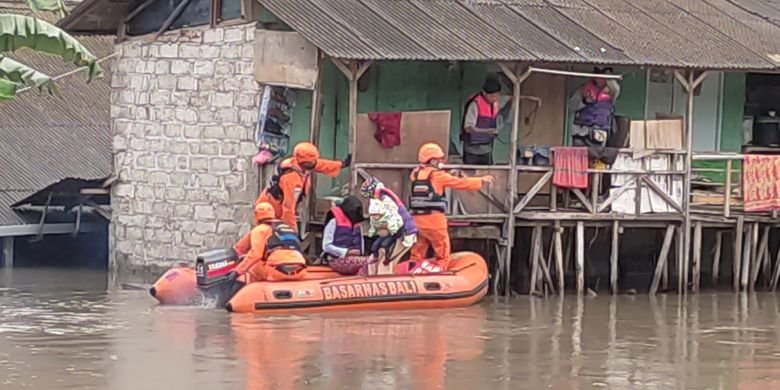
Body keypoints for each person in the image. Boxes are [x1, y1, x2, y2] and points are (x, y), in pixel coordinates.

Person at [409, 143, 494, 270]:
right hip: (434, 220)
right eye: (439, 159)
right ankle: (442, 271)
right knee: (442, 249)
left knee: (418, 249)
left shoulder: (415, 174)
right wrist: (480, 180)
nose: (442, 161)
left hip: (417, 220)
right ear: (432, 160)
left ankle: (412, 269)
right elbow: (459, 183)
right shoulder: (438, 176)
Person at [256, 141, 351, 232]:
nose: (315, 163)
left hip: (274, 203)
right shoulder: (292, 179)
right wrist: (292, 230)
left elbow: (320, 164)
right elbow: (288, 207)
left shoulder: (297, 163)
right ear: (304, 163)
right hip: (270, 210)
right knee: (265, 237)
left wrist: (341, 164)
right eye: (312, 161)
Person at [227, 202, 308, 284]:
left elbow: (255, 254)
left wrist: (237, 271)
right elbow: (242, 246)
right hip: (300, 271)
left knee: (251, 267)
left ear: (256, 215)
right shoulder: (286, 228)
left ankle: (251, 293)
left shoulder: (260, 229)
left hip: (277, 272)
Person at [360, 176, 417, 272]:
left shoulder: (386, 200)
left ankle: (383, 280)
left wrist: (390, 231)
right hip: (397, 231)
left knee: (387, 259)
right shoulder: (383, 197)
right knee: (379, 251)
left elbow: (395, 219)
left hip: (404, 232)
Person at [569, 67, 621, 166]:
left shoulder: (611, 91)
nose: (600, 79)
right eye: (598, 76)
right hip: (582, 131)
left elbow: (615, 88)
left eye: (603, 76)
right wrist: (585, 101)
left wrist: (608, 75)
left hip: (600, 131)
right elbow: (571, 106)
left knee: (598, 161)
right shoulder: (584, 89)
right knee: (579, 159)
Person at [460, 77, 510, 165]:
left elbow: (502, 115)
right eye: (491, 96)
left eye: (497, 96)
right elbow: (468, 128)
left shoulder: (495, 104)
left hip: (487, 150)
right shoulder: (474, 105)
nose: (494, 98)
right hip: (472, 151)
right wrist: (488, 131)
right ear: (484, 93)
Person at [321, 196, 374, 276]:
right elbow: (326, 246)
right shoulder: (333, 222)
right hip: (335, 260)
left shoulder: (356, 223)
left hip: (355, 258)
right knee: (368, 262)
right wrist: (346, 252)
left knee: (373, 260)